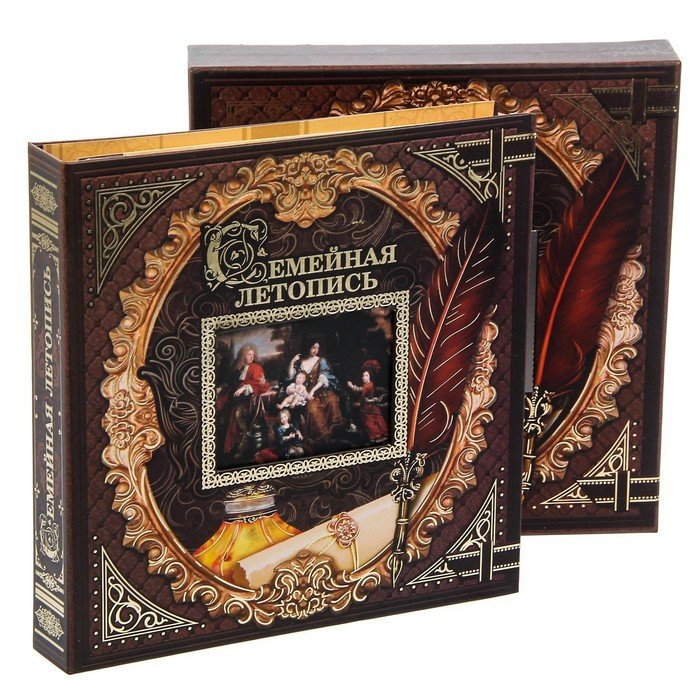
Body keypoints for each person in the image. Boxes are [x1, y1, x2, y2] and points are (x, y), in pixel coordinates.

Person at [216, 344, 271, 455]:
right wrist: (221, 387)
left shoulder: (256, 367)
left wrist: (244, 388)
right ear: (243, 355)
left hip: (247, 400)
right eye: (249, 354)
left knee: (235, 413)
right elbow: (231, 382)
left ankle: (239, 445)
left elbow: (258, 384)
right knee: (221, 412)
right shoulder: (239, 368)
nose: (252, 357)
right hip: (234, 398)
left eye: (253, 355)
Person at [289, 341, 344, 444]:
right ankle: (323, 436)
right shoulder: (300, 363)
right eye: (313, 347)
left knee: (332, 401)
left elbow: (324, 377)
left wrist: (313, 390)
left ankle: (336, 431)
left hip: (323, 390)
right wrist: (292, 362)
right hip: (308, 394)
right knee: (312, 410)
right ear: (308, 347)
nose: (316, 350)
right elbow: (291, 377)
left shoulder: (321, 360)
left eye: (317, 348)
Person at [347, 362, 388, 443]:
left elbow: (359, 390)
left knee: (370, 423)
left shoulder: (368, 385)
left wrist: (351, 386)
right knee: (371, 423)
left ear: (370, 376)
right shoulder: (368, 384)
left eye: (366, 375)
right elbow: (363, 396)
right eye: (363, 376)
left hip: (368, 408)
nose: (364, 377)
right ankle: (375, 436)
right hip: (366, 407)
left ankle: (376, 437)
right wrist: (359, 403)